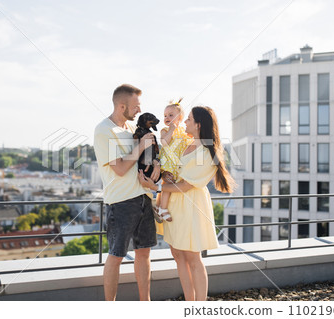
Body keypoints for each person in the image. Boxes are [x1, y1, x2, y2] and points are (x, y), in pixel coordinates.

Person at [138, 106, 235, 301]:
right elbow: (174, 169)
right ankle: (189, 302)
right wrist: (164, 173)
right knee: (177, 254)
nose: (184, 122)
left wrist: (156, 188)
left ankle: (199, 306)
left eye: (189, 119)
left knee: (192, 257)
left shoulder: (208, 152)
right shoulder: (186, 143)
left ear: (198, 124)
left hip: (190, 206)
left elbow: (186, 185)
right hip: (173, 203)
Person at [94, 84, 161, 301]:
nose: (139, 111)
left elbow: (143, 161)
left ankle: (145, 303)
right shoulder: (105, 130)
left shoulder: (132, 129)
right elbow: (121, 168)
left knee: (144, 253)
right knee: (116, 256)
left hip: (143, 197)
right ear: (122, 106)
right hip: (121, 202)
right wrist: (141, 147)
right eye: (135, 106)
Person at [156, 98, 193, 222]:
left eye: (171, 115)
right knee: (167, 184)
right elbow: (164, 143)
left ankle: (159, 206)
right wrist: (171, 130)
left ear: (180, 117)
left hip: (178, 165)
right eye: (165, 115)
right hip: (168, 164)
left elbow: (189, 143)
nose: (167, 117)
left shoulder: (183, 131)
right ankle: (163, 208)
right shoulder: (165, 130)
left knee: (171, 185)